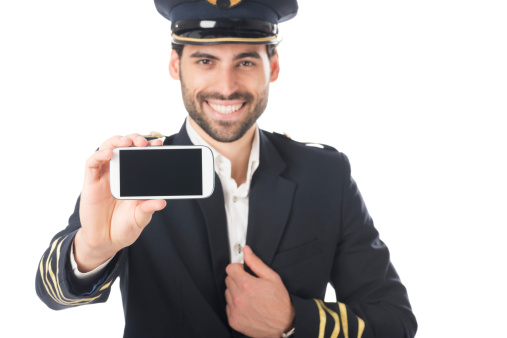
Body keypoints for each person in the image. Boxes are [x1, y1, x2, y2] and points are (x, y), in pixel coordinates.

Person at [36, 0, 417, 337]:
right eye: (205, 60)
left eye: (246, 61)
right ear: (175, 64)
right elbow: (53, 295)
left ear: (274, 65)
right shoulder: (133, 170)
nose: (226, 86)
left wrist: (293, 320)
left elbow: (395, 321)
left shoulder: (325, 175)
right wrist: (94, 247)